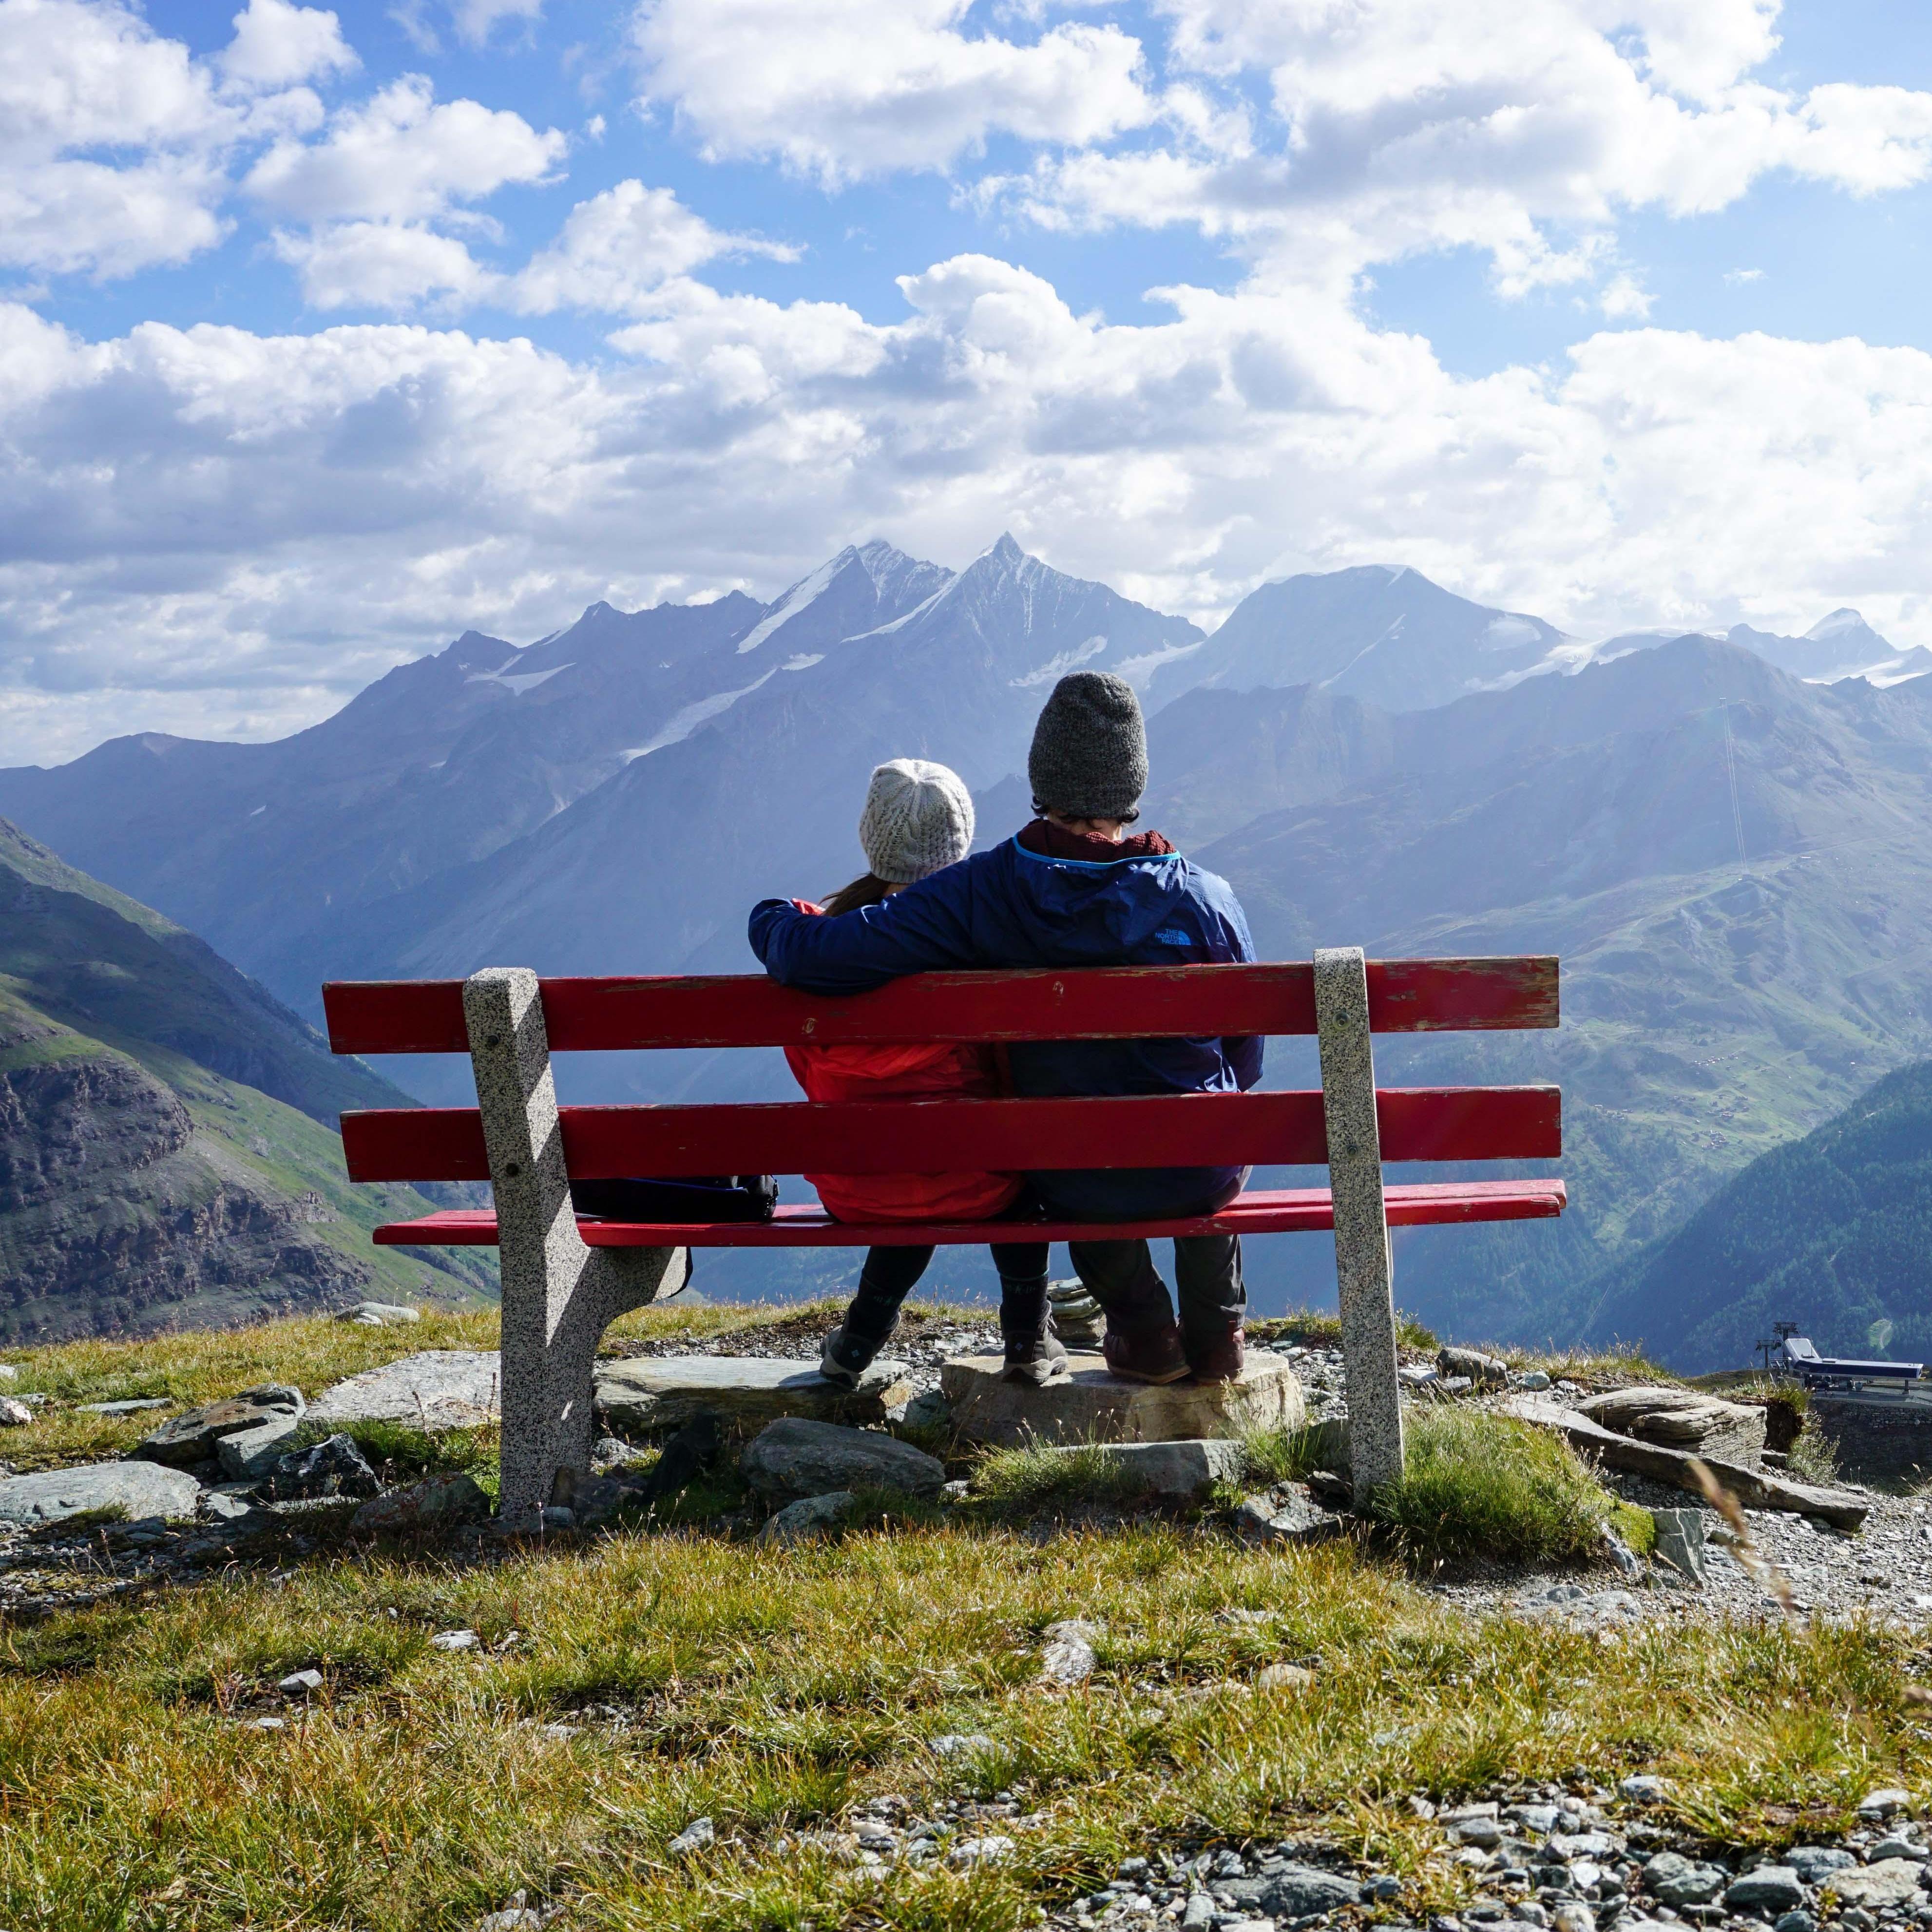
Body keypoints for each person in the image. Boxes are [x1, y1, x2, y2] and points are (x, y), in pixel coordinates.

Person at [749, 672, 1262, 1385]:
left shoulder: (982, 889)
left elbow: (820, 954)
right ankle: (1219, 1336)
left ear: (1041, 776)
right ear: (1131, 784)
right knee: (1217, 1127)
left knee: (1083, 1175)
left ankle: (1144, 1331)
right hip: (1197, 1164)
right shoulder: (1208, 898)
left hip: (1075, 1173)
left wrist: (773, 916)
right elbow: (1246, 1055)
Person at [784, 758, 1069, 1391]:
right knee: (1007, 1163)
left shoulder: (819, 947)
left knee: (903, 1155)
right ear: (958, 844)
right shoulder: (984, 939)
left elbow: (809, 1069)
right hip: (977, 1181)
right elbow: (1012, 1069)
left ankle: (858, 1339)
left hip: (855, 1187)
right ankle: (1026, 1334)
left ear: (871, 836)